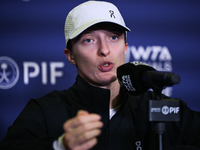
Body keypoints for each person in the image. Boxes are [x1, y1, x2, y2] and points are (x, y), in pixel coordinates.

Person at [0, 1, 200, 150]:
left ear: (125, 47)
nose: (104, 50)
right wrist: (60, 146)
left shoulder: (159, 107)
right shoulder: (44, 111)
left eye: (114, 37)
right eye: (89, 40)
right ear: (70, 56)